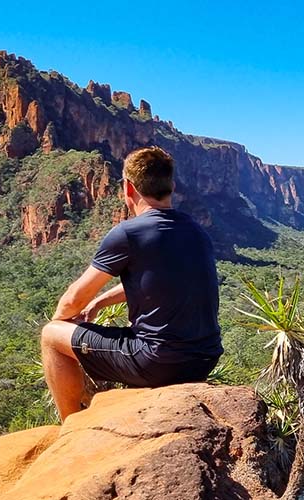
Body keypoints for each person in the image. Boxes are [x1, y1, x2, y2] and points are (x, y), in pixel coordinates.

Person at [39, 146, 222, 421]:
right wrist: (99, 302)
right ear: (171, 185)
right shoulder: (196, 230)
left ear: (128, 187)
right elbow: (156, 281)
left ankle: (69, 427)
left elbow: (72, 299)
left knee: (51, 336)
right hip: (204, 359)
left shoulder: (128, 233)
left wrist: (62, 324)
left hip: (158, 362)